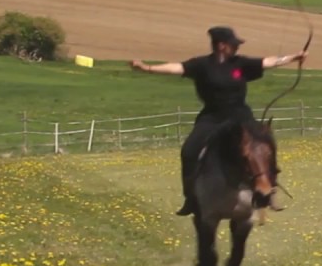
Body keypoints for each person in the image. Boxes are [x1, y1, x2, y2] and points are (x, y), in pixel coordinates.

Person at [130, 26, 307, 216]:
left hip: (241, 116)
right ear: (221, 45)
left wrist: (293, 58)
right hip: (212, 117)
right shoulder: (202, 65)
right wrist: (147, 68)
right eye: (234, 44)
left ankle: (267, 191)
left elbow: (269, 62)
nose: (237, 47)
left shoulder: (241, 64)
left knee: (264, 144)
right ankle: (191, 197)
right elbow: (176, 67)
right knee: (189, 150)